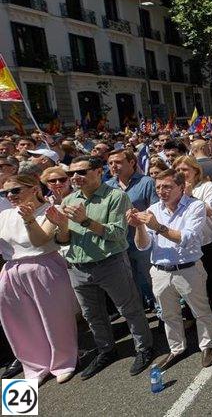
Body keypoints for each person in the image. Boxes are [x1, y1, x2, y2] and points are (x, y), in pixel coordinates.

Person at [48, 156, 153, 379]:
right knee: (92, 315)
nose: (75, 177)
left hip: (110, 263)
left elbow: (116, 234)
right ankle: (106, 350)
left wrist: (86, 221)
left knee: (129, 309)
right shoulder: (68, 200)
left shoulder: (115, 196)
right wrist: (62, 227)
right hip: (79, 267)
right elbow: (64, 240)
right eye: (71, 174)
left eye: (82, 172)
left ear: (98, 171)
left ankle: (144, 348)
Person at [128, 169, 212, 370]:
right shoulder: (153, 210)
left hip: (188, 269)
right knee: (168, 314)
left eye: (167, 186)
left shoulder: (195, 206)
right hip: (160, 270)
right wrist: (139, 227)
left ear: (181, 187)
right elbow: (143, 246)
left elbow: (188, 239)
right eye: (158, 187)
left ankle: (207, 345)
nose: (161, 191)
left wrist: (158, 226)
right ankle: (177, 348)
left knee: (200, 310)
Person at [0, 174, 77, 383]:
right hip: (11, 271)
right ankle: (35, 366)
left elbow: (41, 241)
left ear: (34, 188)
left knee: (55, 319)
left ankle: (63, 362)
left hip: (44, 265)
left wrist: (29, 220)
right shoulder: (4, 215)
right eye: (5, 192)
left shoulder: (51, 210)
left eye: (15, 190)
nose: (9, 195)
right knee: (21, 322)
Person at [173, 156, 212, 330]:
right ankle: (190, 314)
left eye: (185, 170)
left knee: (211, 278)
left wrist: (189, 196)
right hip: (184, 243)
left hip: (206, 240)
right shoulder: (174, 189)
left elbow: (210, 210)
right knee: (187, 281)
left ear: (195, 171)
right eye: (178, 170)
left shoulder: (206, 187)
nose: (181, 173)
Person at [106, 149, 158, 312]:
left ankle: (160, 311)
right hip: (120, 243)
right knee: (129, 282)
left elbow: (155, 210)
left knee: (150, 279)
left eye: (118, 162)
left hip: (143, 241)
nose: (114, 166)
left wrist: (138, 218)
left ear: (132, 162)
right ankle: (140, 311)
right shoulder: (107, 186)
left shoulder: (147, 182)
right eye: (111, 163)